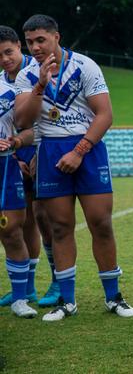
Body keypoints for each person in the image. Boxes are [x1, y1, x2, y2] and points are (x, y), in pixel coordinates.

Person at [14, 14, 133, 321]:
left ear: (57, 36)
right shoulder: (26, 75)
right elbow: (21, 121)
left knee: (101, 223)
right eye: (30, 42)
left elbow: (104, 115)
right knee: (60, 227)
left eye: (41, 40)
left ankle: (114, 297)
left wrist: (80, 151)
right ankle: (66, 301)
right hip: (50, 151)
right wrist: (41, 85)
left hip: (88, 148)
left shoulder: (85, 65)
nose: (35, 47)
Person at [0, 25, 60, 308]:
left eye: (9, 52)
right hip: (14, 156)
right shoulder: (2, 80)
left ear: (18, 46)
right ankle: (27, 287)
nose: (5, 59)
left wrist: (37, 152)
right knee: (22, 221)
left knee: (44, 217)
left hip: (40, 151)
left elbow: (51, 117)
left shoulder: (37, 71)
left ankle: (59, 279)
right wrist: (14, 152)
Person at [0, 74, 37, 318]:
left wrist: (16, 145)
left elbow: (30, 130)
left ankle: (20, 298)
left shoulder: (10, 90)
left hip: (5, 165)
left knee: (11, 230)